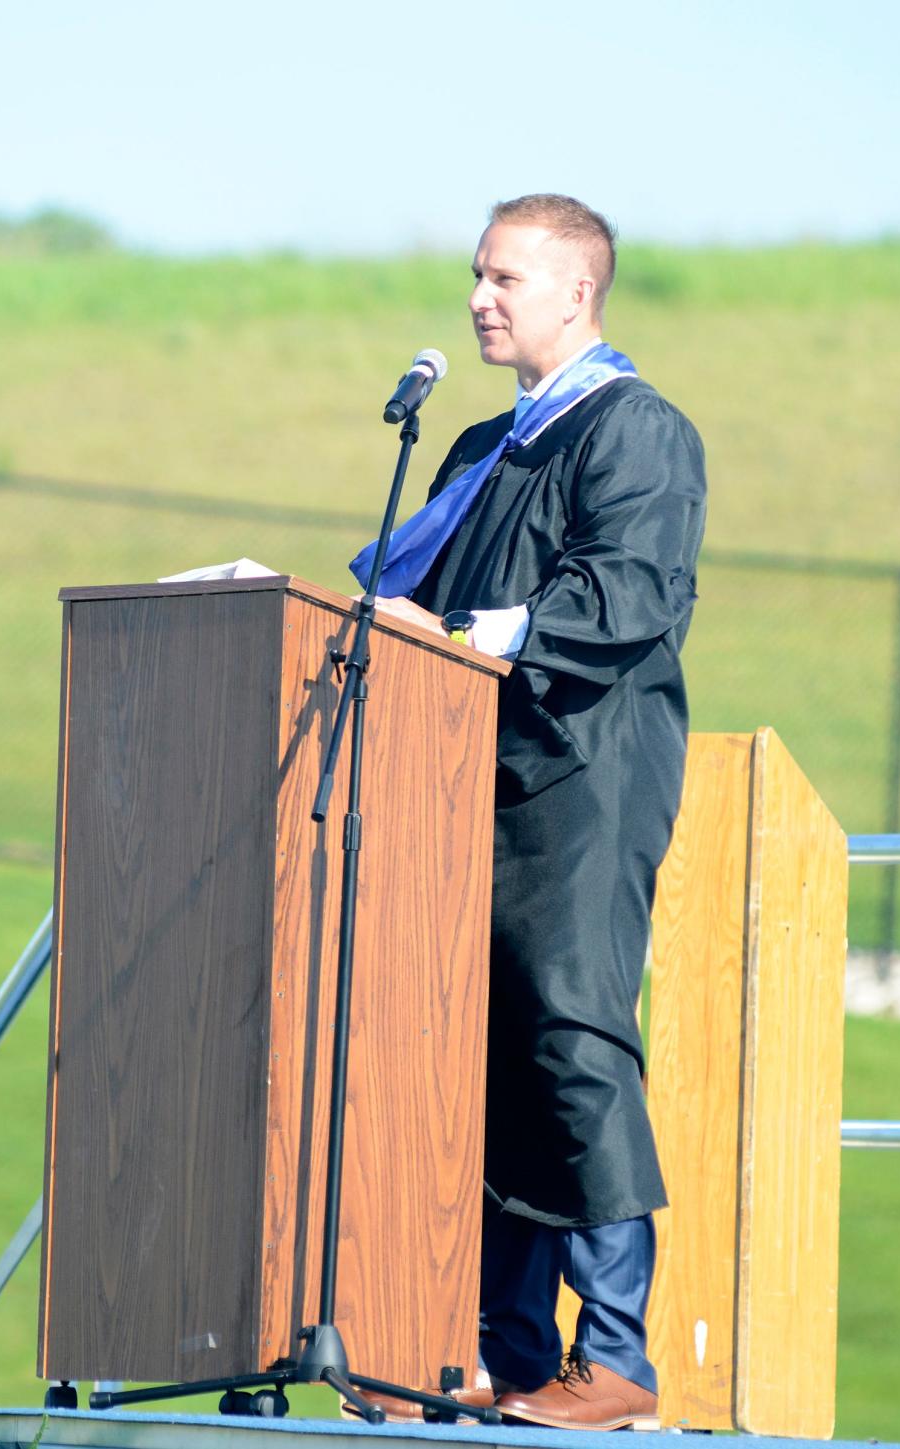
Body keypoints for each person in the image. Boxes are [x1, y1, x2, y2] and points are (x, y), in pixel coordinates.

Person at [351, 194, 707, 1430]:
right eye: (474, 274)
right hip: (459, 788)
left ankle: (613, 1362)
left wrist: (446, 632)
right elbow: (398, 614)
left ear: (575, 291)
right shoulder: (472, 453)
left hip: (583, 781)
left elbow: (625, 604)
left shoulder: (636, 433)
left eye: (504, 278)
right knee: (478, 1056)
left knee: (570, 1040)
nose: (478, 299)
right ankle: (501, 1352)